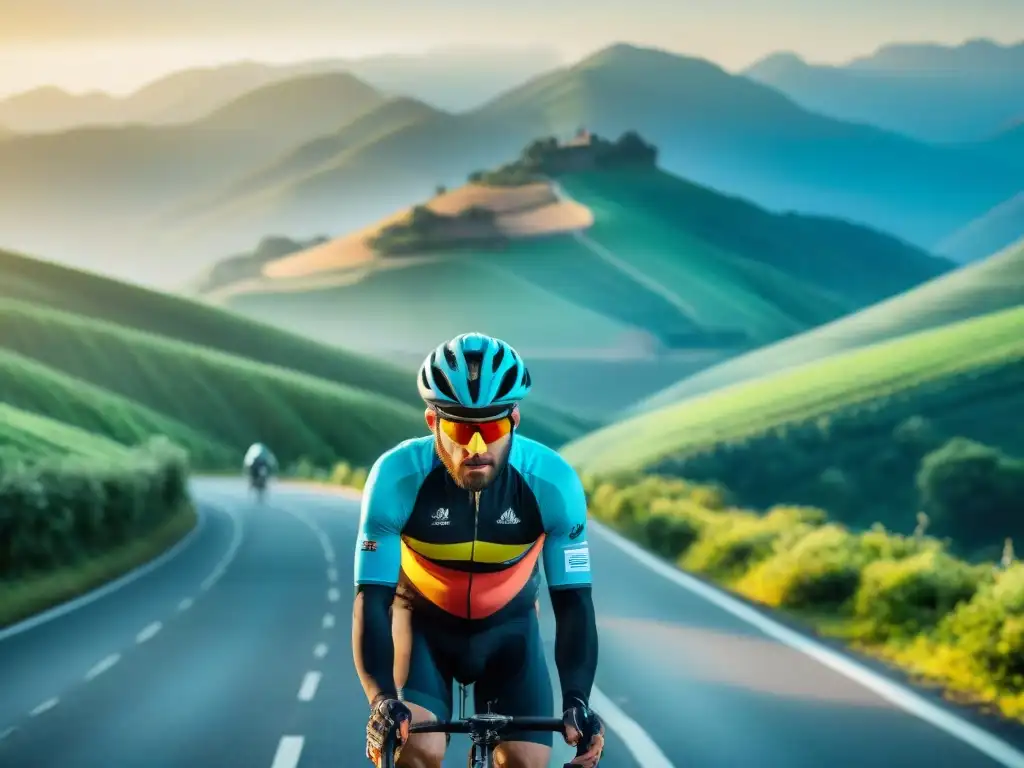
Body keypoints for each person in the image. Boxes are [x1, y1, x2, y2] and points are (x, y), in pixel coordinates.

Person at [353, 333, 605, 768]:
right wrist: (381, 701)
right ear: (432, 422)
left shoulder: (552, 483)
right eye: (459, 428)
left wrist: (578, 700)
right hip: (423, 627)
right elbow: (372, 600)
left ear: (515, 421)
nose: (475, 447)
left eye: (489, 428)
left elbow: (574, 603)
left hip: (511, 633)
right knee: (417, 750)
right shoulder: (396, 479)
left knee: (527, 762)